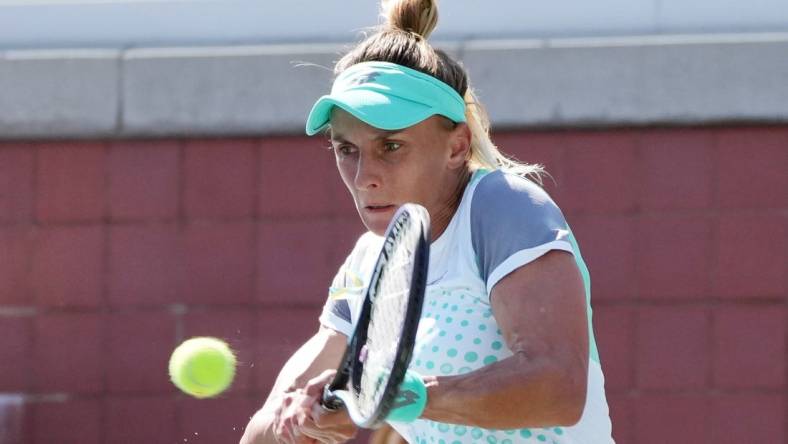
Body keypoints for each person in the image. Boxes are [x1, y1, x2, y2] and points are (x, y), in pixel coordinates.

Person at [240, 0, 614, 443]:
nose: (364, 178)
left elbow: (557, 388)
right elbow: (264, 433)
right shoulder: (367, 262)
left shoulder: (503, 207)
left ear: (457, 146)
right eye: (346, 149)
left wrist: (406, 396)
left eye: (391, 147)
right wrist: (304, 414)